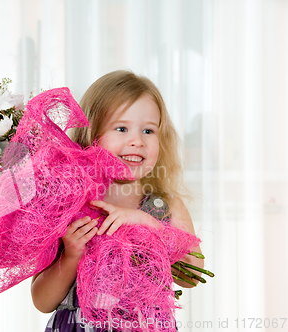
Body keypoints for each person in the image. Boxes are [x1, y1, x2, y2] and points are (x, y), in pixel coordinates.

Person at [31, 70, 204, 331]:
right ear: (91, 135)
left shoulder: (165, 206)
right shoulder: (67, 203)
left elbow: (194, 275)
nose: (137, 141)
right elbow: (42, 301)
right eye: (121, 129)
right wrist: (71, 257)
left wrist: (149, 225)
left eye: (149, 130)